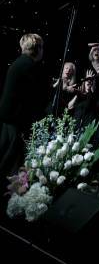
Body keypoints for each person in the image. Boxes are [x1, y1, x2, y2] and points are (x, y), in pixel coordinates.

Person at [0, 33, 47, 178]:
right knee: (11, 163)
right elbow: (36, 96)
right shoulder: (30, 66)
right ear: (37, 48)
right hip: (17, 121)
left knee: (5, 156)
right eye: (42, 47)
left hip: (9, 118)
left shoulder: (18, 63)